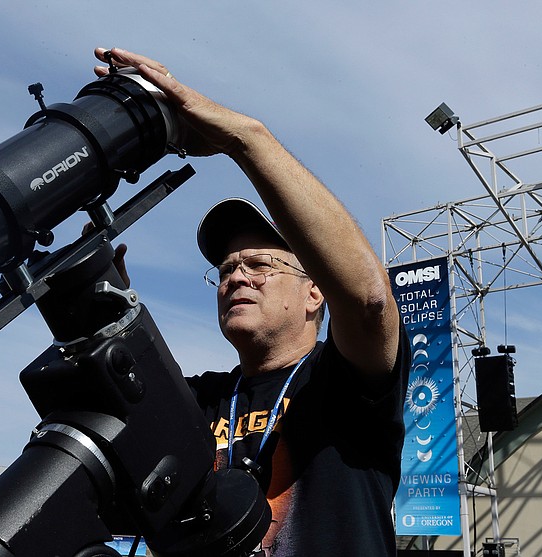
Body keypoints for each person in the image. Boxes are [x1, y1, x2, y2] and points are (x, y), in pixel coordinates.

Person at [94, 48, 410, 556]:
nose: (236, 275)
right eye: (224, 270)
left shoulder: (349, 384)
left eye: (260, 265)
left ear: (314, 292)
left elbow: (369, 301)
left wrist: (243, 138)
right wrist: (106, 307)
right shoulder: (201, 400)